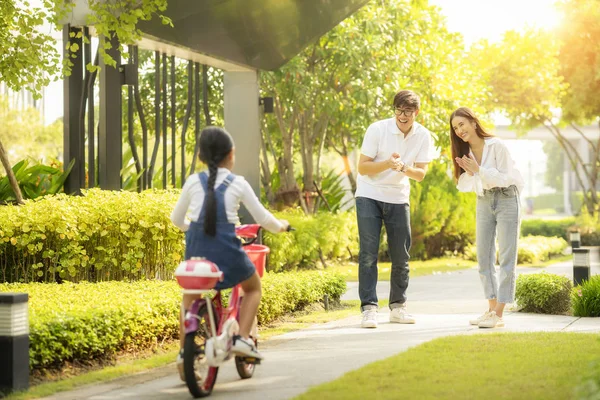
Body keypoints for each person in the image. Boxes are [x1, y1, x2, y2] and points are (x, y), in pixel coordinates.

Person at [170, 126, 289, 377]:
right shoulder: (238, 183)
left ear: (201, 156)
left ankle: (184, 356)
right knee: (253, 287)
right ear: (231, 154)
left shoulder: (193, 181)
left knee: (189, 298)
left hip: (196, 253)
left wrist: (191, 229)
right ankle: (241, 339)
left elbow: (177, 219)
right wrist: (281, 227)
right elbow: (263, 217)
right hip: (227, 252)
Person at [356, 90, 434, 328]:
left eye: (408, 111)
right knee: (369, 255)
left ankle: (398, 307)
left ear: (416, 113)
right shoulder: (377, 129)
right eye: (399, 110)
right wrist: (388, 164)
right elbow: (362, 168)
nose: (402, 115)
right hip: (369, 194)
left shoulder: (423, 135)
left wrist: (402, 168)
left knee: (401, 256)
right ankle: (369, 308)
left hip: (398, 197)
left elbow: (420, 174)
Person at [449, 107, 524, 329]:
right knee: (484, 257)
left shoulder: (496, 145)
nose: (459, 130)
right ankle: (492, 309)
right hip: (483, 200)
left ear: (473, 122)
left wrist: (479, 170)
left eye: (462, 124)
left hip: (507, 197)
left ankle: (499, 313)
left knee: (507, 257)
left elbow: (506, 177)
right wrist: (473, 172)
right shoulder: (463, 152)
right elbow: (462, 184)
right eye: (455, 128)